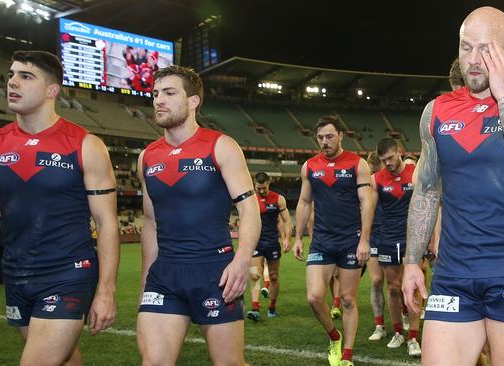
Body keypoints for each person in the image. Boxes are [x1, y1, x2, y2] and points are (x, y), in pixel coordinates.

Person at [0, 50, 120, 366]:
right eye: (10, 75)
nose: (12, 82)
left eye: (26, 76)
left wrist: (106, 290)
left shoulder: (86, 145)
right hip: (17, 274)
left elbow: (106, 223)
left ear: (52, 90)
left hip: (69, 273)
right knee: (65, 359)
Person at [402, 6, 504, 366]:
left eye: (485, 49)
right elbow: (426, 190)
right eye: (465, 47)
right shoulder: (436, 110)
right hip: (453, 272)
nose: (473, 60)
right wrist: (412, 261)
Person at [137, 65, 260, 366]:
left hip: (214, 273)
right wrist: (145, 280)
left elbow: (249, 208)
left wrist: (242, 260)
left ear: (193, 101)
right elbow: (151, 223)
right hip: (165, 275)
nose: (158, 101)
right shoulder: (147, 157)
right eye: (155, 94)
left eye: (168, 93)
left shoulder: (221, 146)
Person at [293, 116, 375, 366]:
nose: (324, 142)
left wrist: (365, 240)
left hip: (351, 241)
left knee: (348, 300)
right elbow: (305, 202)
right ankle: (334, 336)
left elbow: (367, 202)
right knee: (314, 297)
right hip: (321, 242)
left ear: (341, 135)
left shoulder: (357, 164)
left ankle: (347, 355)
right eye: (320, 138)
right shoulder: (309, 166)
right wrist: (298, 236)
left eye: (329, 136)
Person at [373, 138, 421, 357]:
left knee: (411, 287)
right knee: (392, 287)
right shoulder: (377, 179)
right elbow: (368, 208)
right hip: (388, 237)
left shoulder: (415, 172)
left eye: (391, 158)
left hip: (412, 237)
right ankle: (398, 332)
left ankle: (413, 337)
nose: (388, 163)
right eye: (384, 160)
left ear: (399, 152)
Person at [246, 172, 292, 321]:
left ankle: (272, 307)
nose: (260, 191)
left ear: (269, 184)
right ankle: (255, 308)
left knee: (273, 276)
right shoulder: (250, 198)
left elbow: (286, 221)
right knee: (254, 275)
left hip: (272, 243)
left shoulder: (279, 199)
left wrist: (286, 239)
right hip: (256, 243)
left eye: (263, 188)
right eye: (258, 188)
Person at [366, 151, 387, 341]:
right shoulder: (365, 183)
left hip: (391, 234)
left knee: (396, 284)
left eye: (376, 171)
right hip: (373, 236)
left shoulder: (387, 181)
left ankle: (404, 316)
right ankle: (379, 325)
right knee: (376, 281)